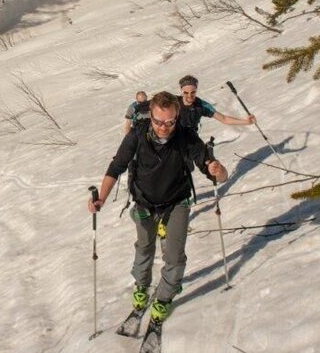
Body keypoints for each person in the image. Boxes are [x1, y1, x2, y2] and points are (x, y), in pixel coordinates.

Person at [87, 91, 229, 324]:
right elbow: (117, 166)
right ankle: (142, 286)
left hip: (177, 202)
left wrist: (218, 169)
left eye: (170, 122)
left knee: (174, 255)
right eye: (158, 121)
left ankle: (164, 297)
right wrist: (101, 198)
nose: (164, 127)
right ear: (150, 115)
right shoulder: (137, 135)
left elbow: (217, 174)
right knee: (144, 248)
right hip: (144, 202)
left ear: (177, 117)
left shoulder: (186, 137)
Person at [177, 75, 255, 131]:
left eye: (193, 92)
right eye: (186, 92)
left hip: (191, 140)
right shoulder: (173, 102)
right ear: (181, 91)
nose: (189, 95)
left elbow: (224, 119)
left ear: (196, 90)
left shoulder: (202, 105)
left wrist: (247, 122)